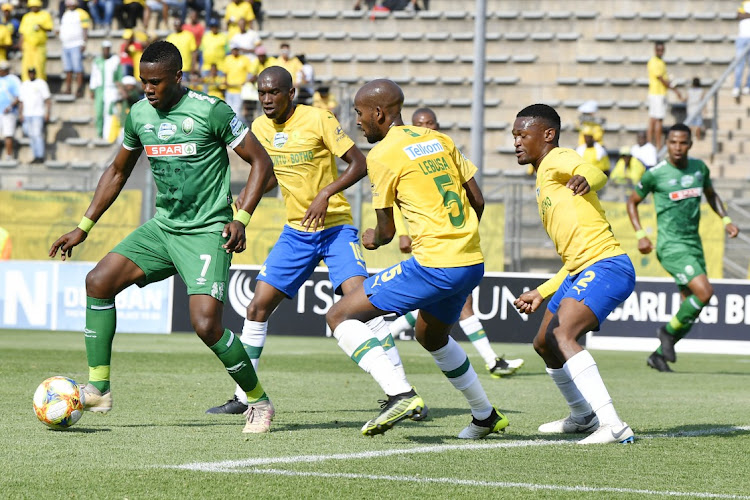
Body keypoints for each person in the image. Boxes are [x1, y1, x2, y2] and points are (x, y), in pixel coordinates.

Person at [49, 41, 276, 434]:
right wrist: (82, 228)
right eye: (143, 82)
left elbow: (261, 163)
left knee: (206, 325)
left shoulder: (212, 111)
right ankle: (99, 389)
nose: (148, 90)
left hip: (207, 230)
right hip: (164, 228)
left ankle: (258, 401)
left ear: (177, 76)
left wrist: (241, 218)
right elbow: (117, 172)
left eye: (155, 82)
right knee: (98, 282)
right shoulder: (139, 115)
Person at [205, 69, 425, 438]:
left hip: (336, 227)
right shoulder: (259, 129)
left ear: (291, 92)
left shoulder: (318, 118)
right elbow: (271, 173)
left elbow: (359, 163)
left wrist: (324, 193)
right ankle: (244, 395)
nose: (267, 99)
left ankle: (398, 392)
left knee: (364, 305)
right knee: (257, 307)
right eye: (261, 93)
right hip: (297, 232)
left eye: (274, 92)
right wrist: (247, 202)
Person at [326, 79, 507, 439]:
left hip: (435, 264)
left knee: (339, 314)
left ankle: (400, 393)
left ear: (379, 113)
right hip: (470, 260)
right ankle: (485, 415)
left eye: (360, 114)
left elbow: (386, 232)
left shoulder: (382, 155)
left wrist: (371, 240)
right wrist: (460, 239)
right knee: (431, 336)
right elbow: (479, 200)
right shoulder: (440, 140)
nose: (358, 122)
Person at [512, 103, 635, 445]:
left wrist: (586, 177)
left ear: (548, 135)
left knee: (564, 334)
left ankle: (612, 423)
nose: (517, 142)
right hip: (579, 268)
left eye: (523, 135)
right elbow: (573, 256)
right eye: (514, 136)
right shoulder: (541, 178)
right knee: (543, 343)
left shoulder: (556, 159)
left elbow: (595, 172)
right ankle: (582, 416)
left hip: (606, 264)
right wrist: (543, 290)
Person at [387, 107, 524, 378]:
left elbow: (471, 195)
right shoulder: (403, 153)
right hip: (429, 244)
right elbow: (394, 198)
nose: (428, 127)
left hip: (452, 245)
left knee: (445, 304)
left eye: (431, 123)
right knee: (456, 304)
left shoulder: (444, 150)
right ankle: (491, 361)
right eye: (421, 124)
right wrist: (403, 232)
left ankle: (387, 334)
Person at [626, 123, 740, 373]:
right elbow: (632, 202)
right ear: (666, 143)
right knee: (705, 293)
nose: (678, 147)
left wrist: (726, 220)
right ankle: (665, 333)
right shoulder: (655, 174)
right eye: (673, 142)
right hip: (671, 245)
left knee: (691, 305)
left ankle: (658, 356)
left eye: (683, 142)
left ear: (690, 144)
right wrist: (640, 235)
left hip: (693, 244)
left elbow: (711, 194)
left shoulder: (699, 168)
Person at [647, 42, 682, 150]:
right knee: (658, 120)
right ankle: (657, 145)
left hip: (655, 93)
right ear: (655, 50)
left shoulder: (660, 61)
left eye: (662, 50)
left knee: (653, 118)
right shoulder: (654, 62)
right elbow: (661, 79)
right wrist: (675, 90)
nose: (661, 52)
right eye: (659, 50)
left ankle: (650, 144)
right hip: (658, 93)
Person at [90, 40, 121, 141]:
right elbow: (94, 76)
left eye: (108, 49)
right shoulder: (97, 61)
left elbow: (119, 76)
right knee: (99, 112)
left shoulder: (115, 60)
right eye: (104, 49)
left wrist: (119, 88)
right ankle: (99, 133)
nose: (106, 51)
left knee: (109, 112)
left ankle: (107, 135)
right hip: (100, 89)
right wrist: (92, 89)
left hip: (111, 88)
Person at [58, 0, 90, 97]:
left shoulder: (82, 13)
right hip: (65, 45)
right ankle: (68, 88)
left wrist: (84, 42)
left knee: (78, 69)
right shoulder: (65, 14)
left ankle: (79, 90)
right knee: (68, 69)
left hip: (76, 44)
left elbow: (85, 29)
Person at [18, 67, 50, 163]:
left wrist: (47, 112)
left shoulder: (41, 83)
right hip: (27, 114)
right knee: (31, 135)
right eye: (30, 73)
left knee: (37, 134)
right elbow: (21, 101)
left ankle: (40, 156)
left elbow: (47, 99)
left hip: (38, 113)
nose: (31, 74)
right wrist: (20, 113)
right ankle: (35, 155)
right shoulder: (24, 85)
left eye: (33, 73)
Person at [18, 0, 53, 81]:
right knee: (26, 66)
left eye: (35, 6)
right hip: (28, 46)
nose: (34, 8)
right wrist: (21, 43)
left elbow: (50, 28)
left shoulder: (45, 15)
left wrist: (41, 27)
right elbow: (22, 32)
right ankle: (26, 85)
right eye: (32, 6)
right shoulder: (26, 16)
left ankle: (40, 85)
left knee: (39, 67)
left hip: (39, 46)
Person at [166, 17, 197, 82]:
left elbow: (194, 52)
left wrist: (193, 66)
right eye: (175, 25)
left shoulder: (189, 35)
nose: (177, 27)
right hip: (173, 69)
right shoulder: (170, 37)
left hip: (186, 68)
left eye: (178, 25)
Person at [0, 60, 20, 160]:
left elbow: (18, 96)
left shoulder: (13, 80)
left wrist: (10, 107)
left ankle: (8, 156)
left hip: (9, 112)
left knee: (8, 134)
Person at [733, 2, 750, 98]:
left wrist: (746, 15)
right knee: (739, 64)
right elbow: (738, 15)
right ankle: (736, 86)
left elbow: (743, 15)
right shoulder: (745, 3)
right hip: (742, 37)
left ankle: (748, 85)